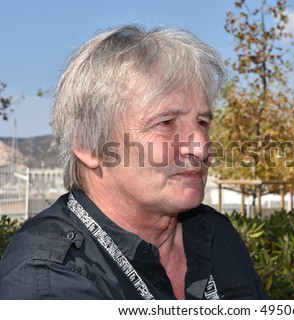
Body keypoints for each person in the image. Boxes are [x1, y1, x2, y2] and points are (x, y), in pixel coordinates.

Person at [0, 25, 269, 300]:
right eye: (165, 123)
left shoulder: (215, 233)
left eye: (202, 122)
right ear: (89, 145)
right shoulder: (49, 278)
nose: (201, 147)